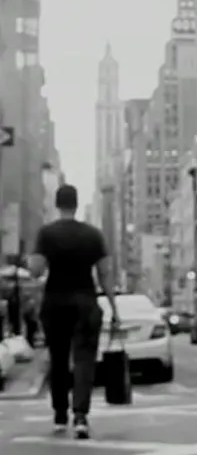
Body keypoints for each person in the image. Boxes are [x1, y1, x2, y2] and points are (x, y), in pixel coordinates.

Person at [29, 183, 120, 439]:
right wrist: (113, 307)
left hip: (55, 302)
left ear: (57, 205)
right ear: (76, 204)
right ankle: (80, 416)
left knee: (58, 360)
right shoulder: (93, 235)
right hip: (85, 301)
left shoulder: (46, 234)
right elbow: (105, 274)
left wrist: (33, 259)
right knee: (84, 360)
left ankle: (60, 415)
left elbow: (36, 269)